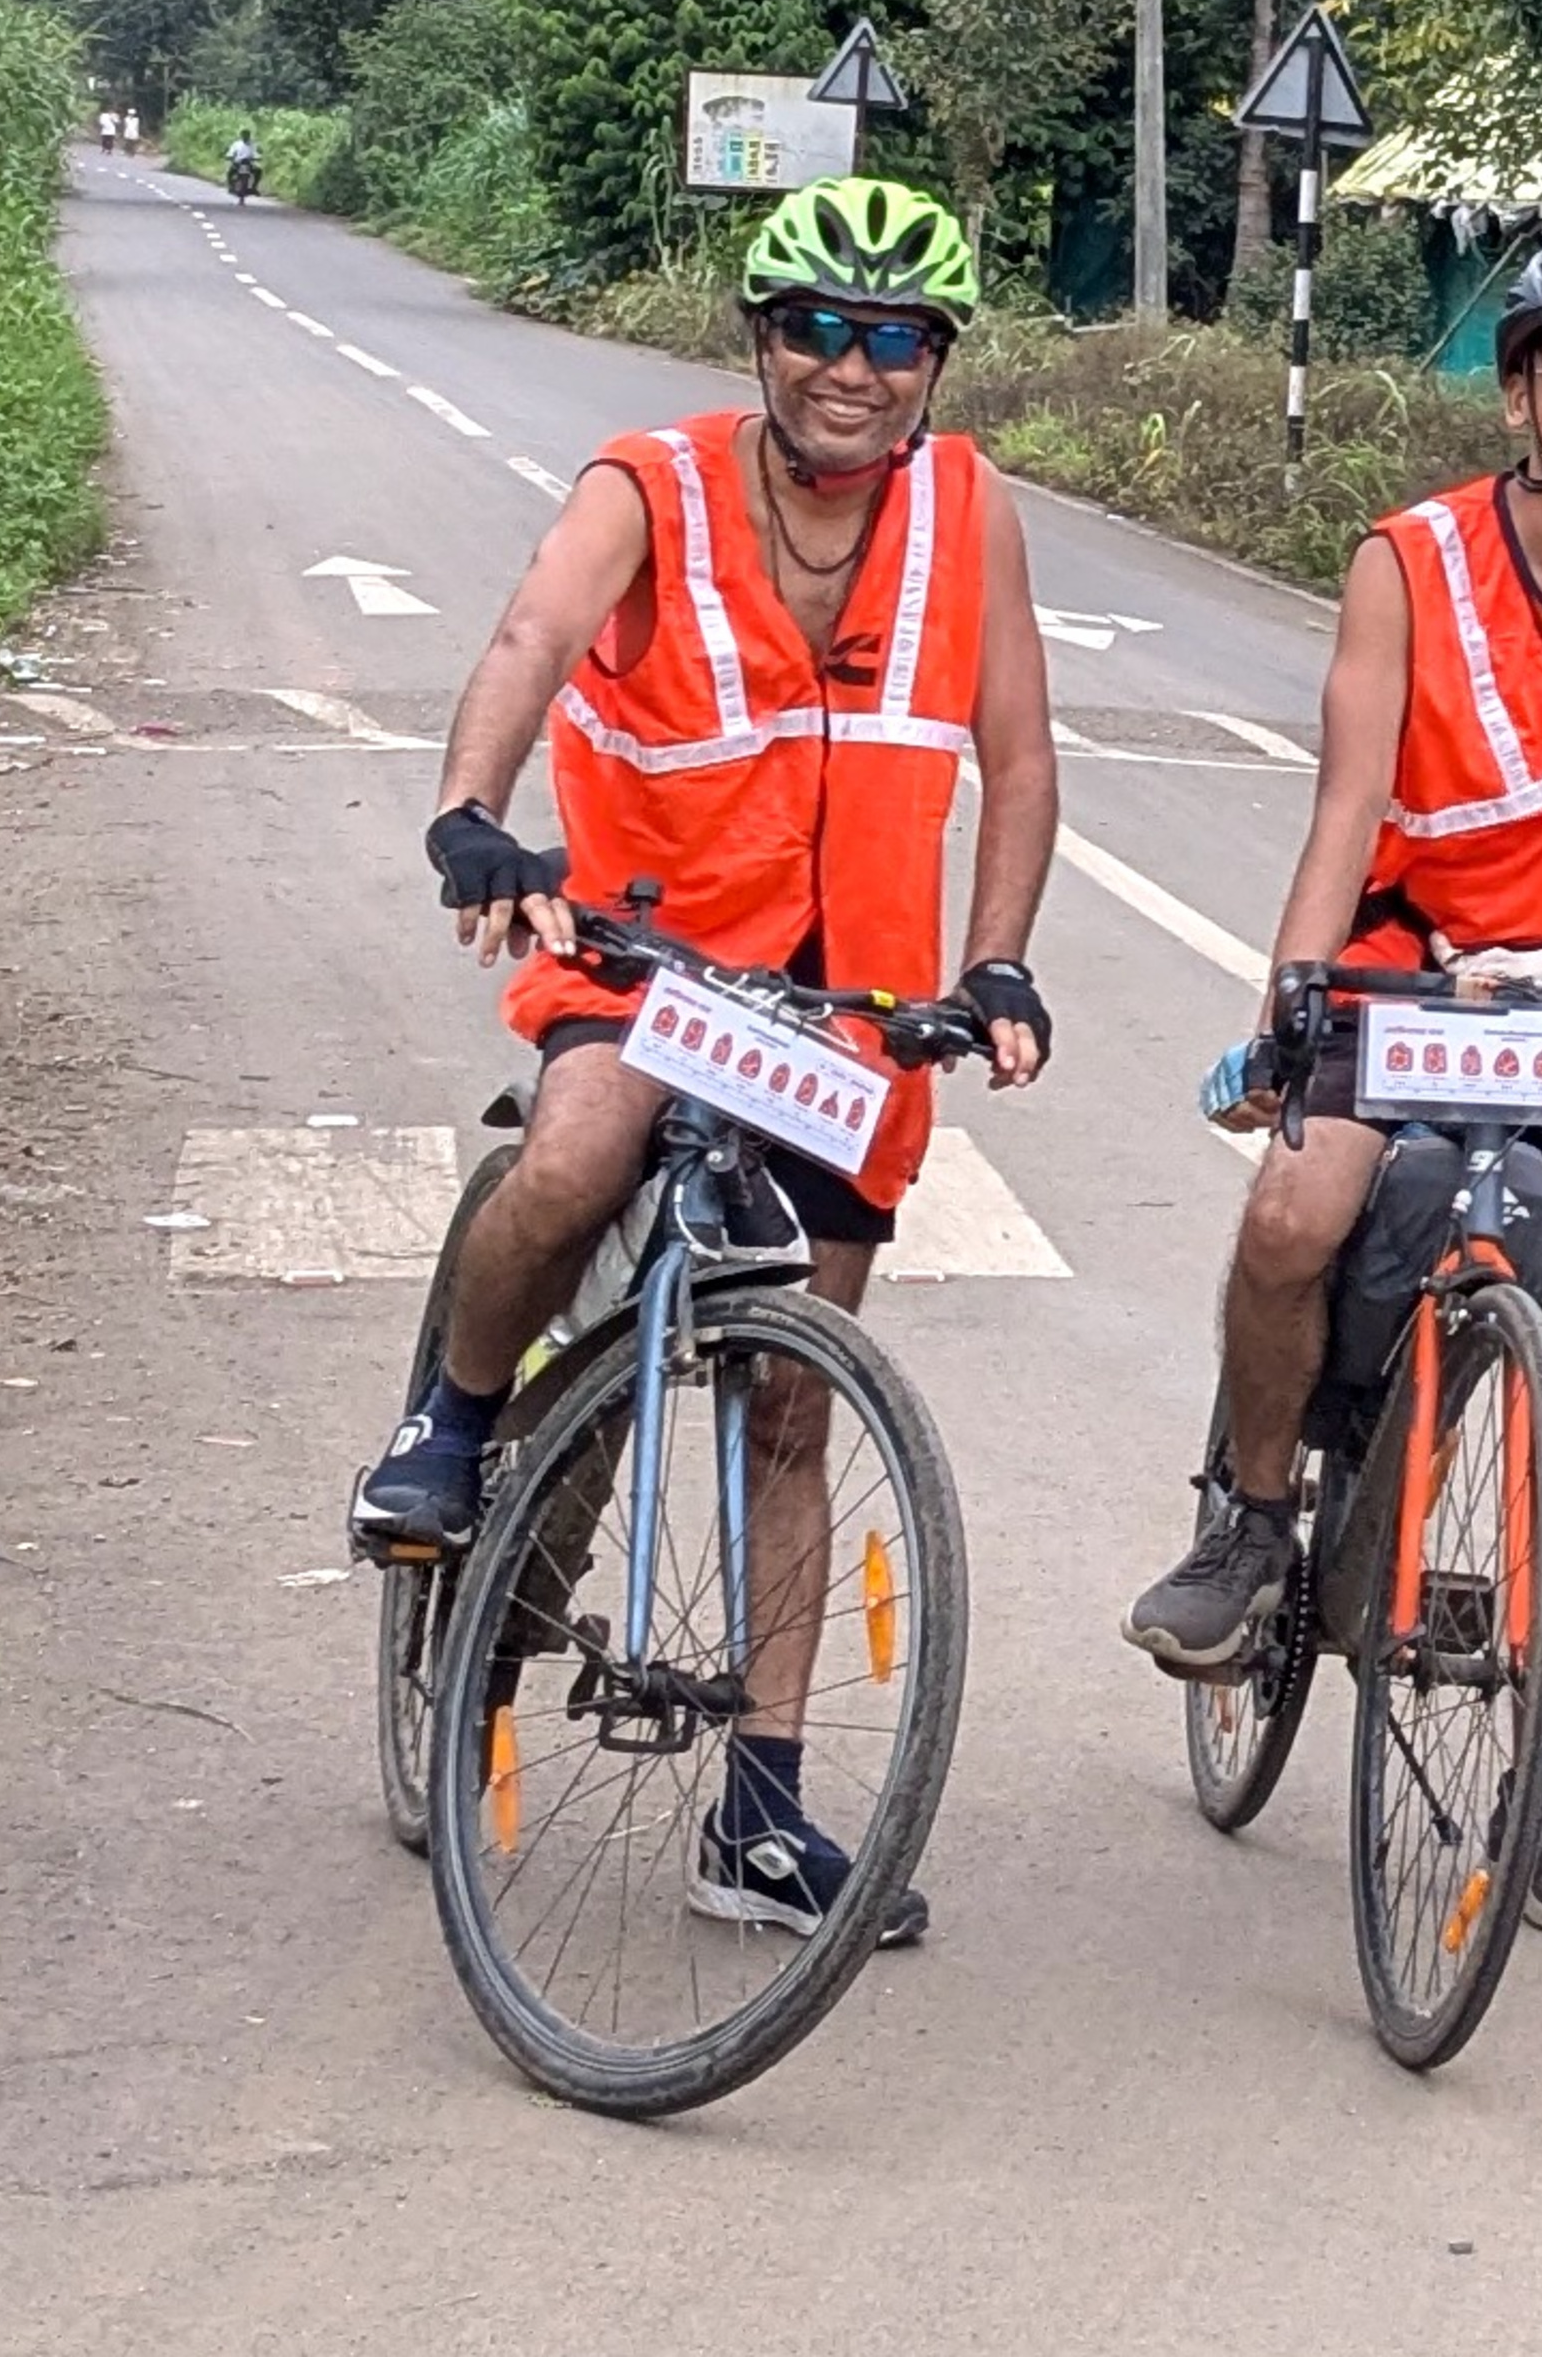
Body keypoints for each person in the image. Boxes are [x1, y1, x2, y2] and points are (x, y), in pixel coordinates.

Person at [351, 174, 1061, 1945]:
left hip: (848, 1015)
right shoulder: (649, 485)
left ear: (935, 366)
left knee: (797, 1399)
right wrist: (469, 816)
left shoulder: (970, 513)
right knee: (580, 1149)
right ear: (761, 341)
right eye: (819, 329)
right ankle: (449, 1423)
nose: (854, 367)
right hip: (647, 953)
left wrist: (997, 956)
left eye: (895, 339)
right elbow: (527, 641)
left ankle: (760, 1810)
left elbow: (1023, 761)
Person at [1121, 235, 1542, 1940]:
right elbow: (1350, 797)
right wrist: (1293, 998)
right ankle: (1256, 1520)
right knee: (1300, 1207)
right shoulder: (1409, 560)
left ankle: (1533, 1784)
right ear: (1518, 395)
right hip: (1420, 970)